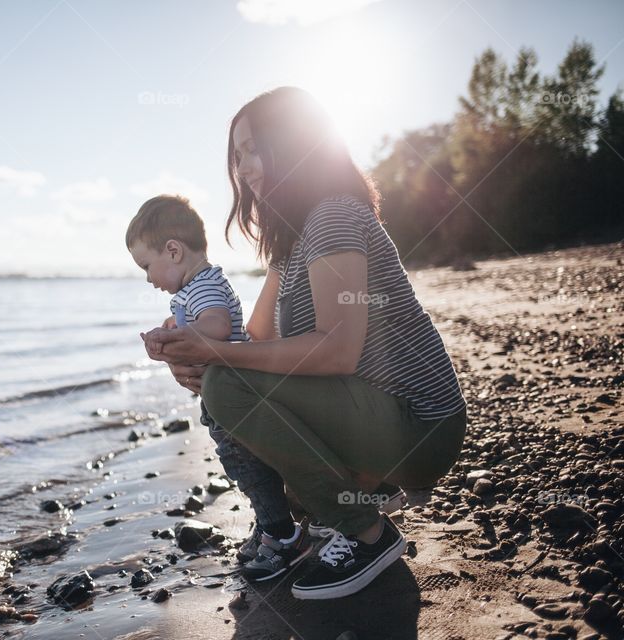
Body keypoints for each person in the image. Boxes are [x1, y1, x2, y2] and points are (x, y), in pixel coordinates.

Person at [142, 87, 468, 600]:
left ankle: (369, 535)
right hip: (380, 417)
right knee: (237, 404)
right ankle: (361, 490)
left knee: (228, 387)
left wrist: (218, 362)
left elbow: (336, 350)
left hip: (421, 423)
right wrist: (193, 353)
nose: (243, 168)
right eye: (236, 156)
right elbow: (260, 338)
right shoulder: (296, 238)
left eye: (251, 149)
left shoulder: (334, 215)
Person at [126, 194, 312, 581]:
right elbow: (199, 320)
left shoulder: (205, 287)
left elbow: (216, 327)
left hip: (234, 400)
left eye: (147, 266)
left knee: (246, 465)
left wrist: (174, 337)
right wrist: (172, 329)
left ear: (173, 251)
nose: (148, 278)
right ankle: (271, 524)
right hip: (227, 396)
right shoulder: (194, 288)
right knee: (248, 465)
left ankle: (282, 536)